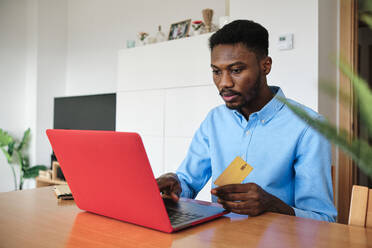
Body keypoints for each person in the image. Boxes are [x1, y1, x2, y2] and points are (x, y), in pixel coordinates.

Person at [156, 20, 337, 222]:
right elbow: (187, 183)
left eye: (236, 70)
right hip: (219, 237)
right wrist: (175, 185)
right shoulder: (215, 119)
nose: (224, 83)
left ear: (265, 66)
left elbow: (323, 219)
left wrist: (272, 205)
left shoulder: (308, 127)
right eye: (217, 71)